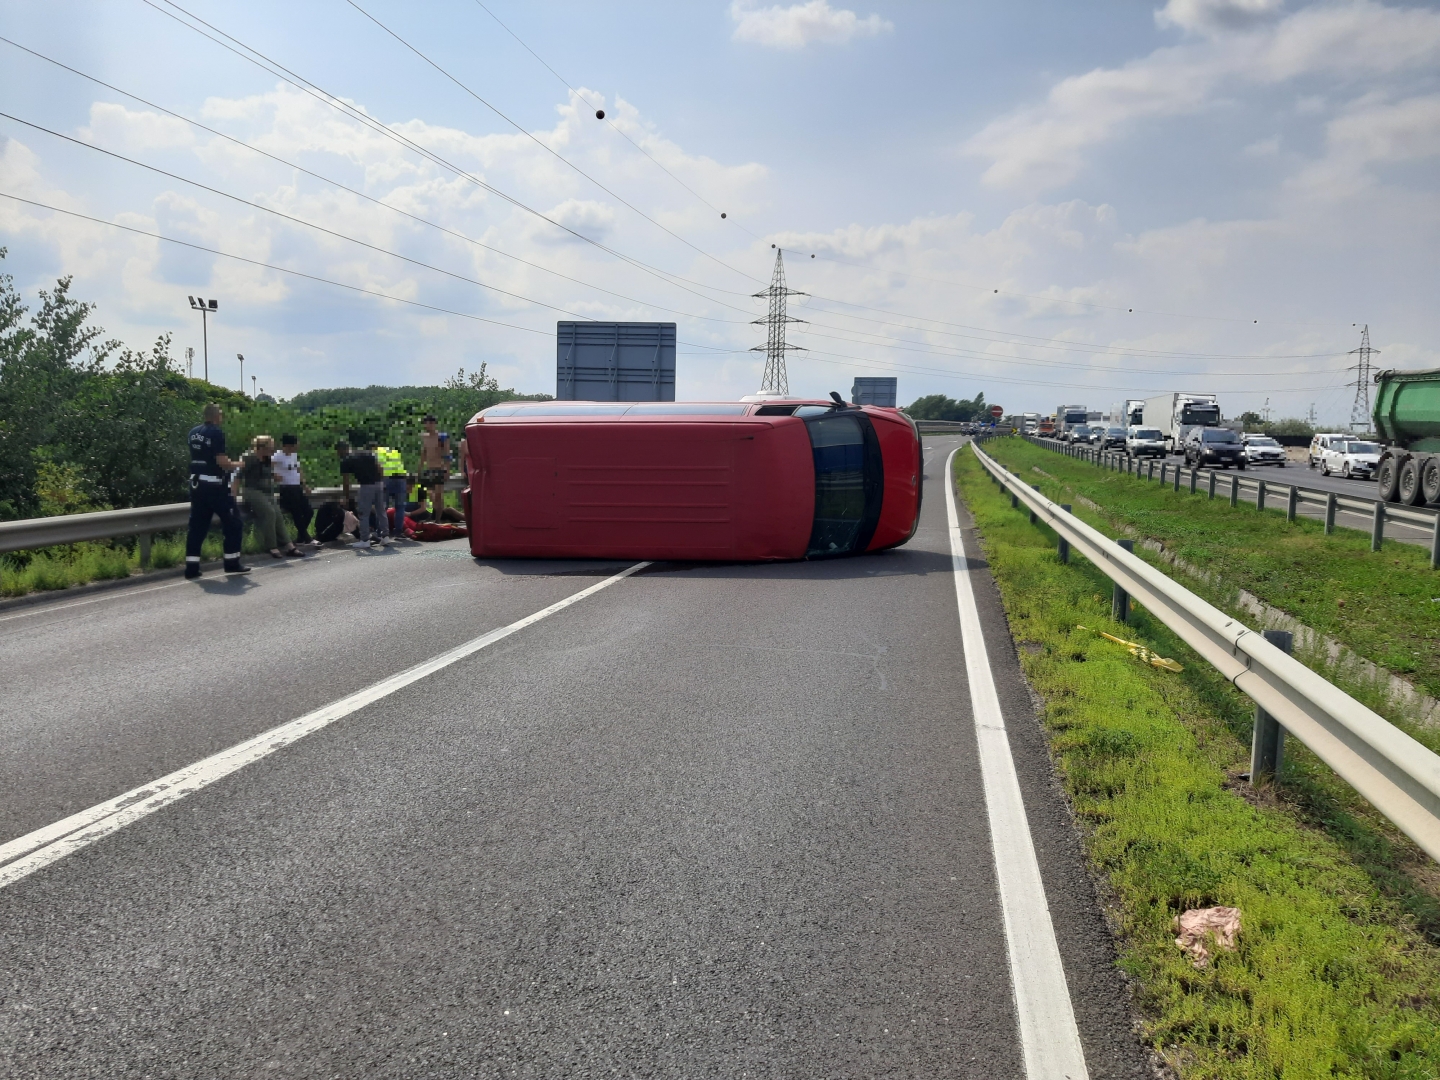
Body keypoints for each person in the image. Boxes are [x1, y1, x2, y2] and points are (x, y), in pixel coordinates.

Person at [185, 403, 248, 578]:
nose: (222, 417)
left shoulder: (193, 432)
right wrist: (238, 464)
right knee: (233, 523)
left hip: (196, 485)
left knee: (197, 527)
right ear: (216, 416)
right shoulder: (216, 432)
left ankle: (191, 568)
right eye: (220, 414)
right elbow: (222, 462)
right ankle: (232, 563)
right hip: (215, 486)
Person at [240, 435, 303, 559]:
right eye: (270, 447)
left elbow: (267, 472)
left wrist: (274, 476)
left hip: (267, 491)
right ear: (261, 447)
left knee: (278, 514)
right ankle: (271, 546)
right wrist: (233, 492)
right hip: (252, 490)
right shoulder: (249, 457)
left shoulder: (267, 459)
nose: (272, 450)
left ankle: (288, 545)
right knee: (269, 512)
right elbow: (237, 475)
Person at [337, 441, 385, 548]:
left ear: (341, 450)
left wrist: (347, 497)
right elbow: (379, 467)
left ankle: (365, 540)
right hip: (379, 484)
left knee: (363, 514)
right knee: (381, 511)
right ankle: (385, 536)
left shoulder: (346, 460)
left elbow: (346, 481)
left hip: (366, 486)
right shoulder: (366, 452)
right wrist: (382, 482)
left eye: (338, 451)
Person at [274, 435, 315, 545]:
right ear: (288, 445)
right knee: (297, 513)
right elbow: (267, 468)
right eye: (295, 445)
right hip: (287, 488)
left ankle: (301, 537)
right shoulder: (278, 456)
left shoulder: (294, 455)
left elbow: (298, 470)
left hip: (297, 487)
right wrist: (274, 476)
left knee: (309, 511)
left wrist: (305, 486)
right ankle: (307, 538)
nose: (297, 447)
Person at [376, 441, 409, 541]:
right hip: (400, 479)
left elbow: (379, 468)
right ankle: (398, 532)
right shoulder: (394, 452)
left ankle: (380, 532)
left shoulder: (378, 452)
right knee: (400, 507)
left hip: (387, 479)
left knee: (383, 507)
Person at [418, 413, 450, 518]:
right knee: (430, 495)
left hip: (439, 468)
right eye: (427, 423)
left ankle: (438, 519)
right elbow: (424, 453)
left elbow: (447, 454)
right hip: (429, 468)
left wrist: (447, 469)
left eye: (431, 423)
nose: (429, 425)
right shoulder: (425, 437)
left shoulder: (442, 437)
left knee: (438, 495)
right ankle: (433, 514)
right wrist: (419, 469)